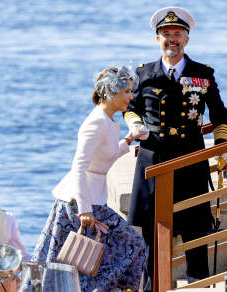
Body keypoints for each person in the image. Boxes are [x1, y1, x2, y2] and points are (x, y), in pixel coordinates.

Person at [123, 7, 227, 290]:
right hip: (153, 162)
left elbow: (220, 115)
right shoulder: (143, 73)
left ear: (187, 39)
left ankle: (199, 287)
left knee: (195, 236)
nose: (172, 39)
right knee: (152, 240)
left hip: (191, 162)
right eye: (166, 34)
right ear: (158, 38)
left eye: (177, 34)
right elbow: (130, 109)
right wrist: (135, 125)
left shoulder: (202, 74)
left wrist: (221, 149)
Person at [28, 64, 147, 292]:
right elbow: (79, 166)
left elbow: (104, 158)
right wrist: (84, 210)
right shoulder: (96, 123)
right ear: (111, 92)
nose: (131, 97)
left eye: (131, 91)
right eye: (127, 91)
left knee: (77, 261)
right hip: (80, 204)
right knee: (129, 246)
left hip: (92, 201)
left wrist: (129, 139)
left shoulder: (107, 120)